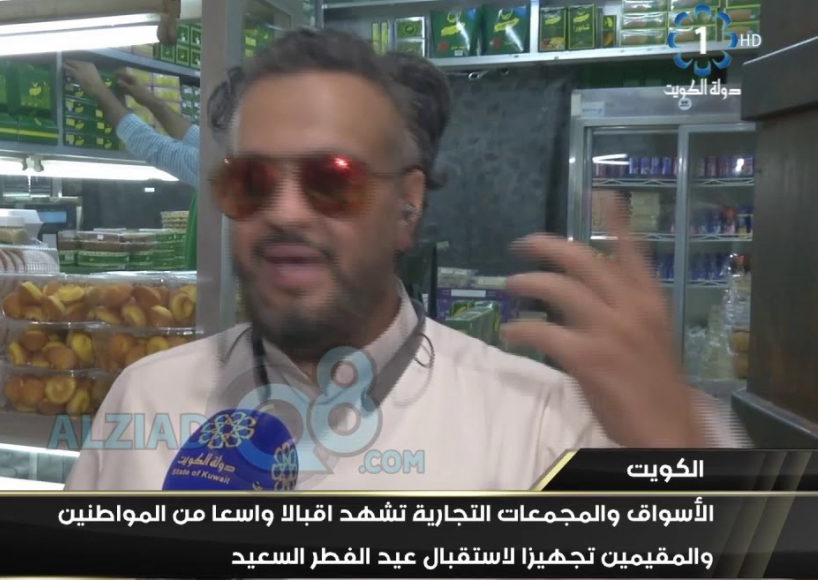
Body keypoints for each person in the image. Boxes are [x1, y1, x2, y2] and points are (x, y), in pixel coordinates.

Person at [65, 29, 746, 491]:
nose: (286, 212)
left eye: (331, 179)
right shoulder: (145, 400)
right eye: (253, 181)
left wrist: (680, 443)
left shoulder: (546, 428)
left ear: (408, 203)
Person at [63, 60, 211, 267]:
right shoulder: (227, 148)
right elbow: (194, 137)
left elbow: (152, 146)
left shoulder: (221, 163)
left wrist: (99, 91)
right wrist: (150, 101)